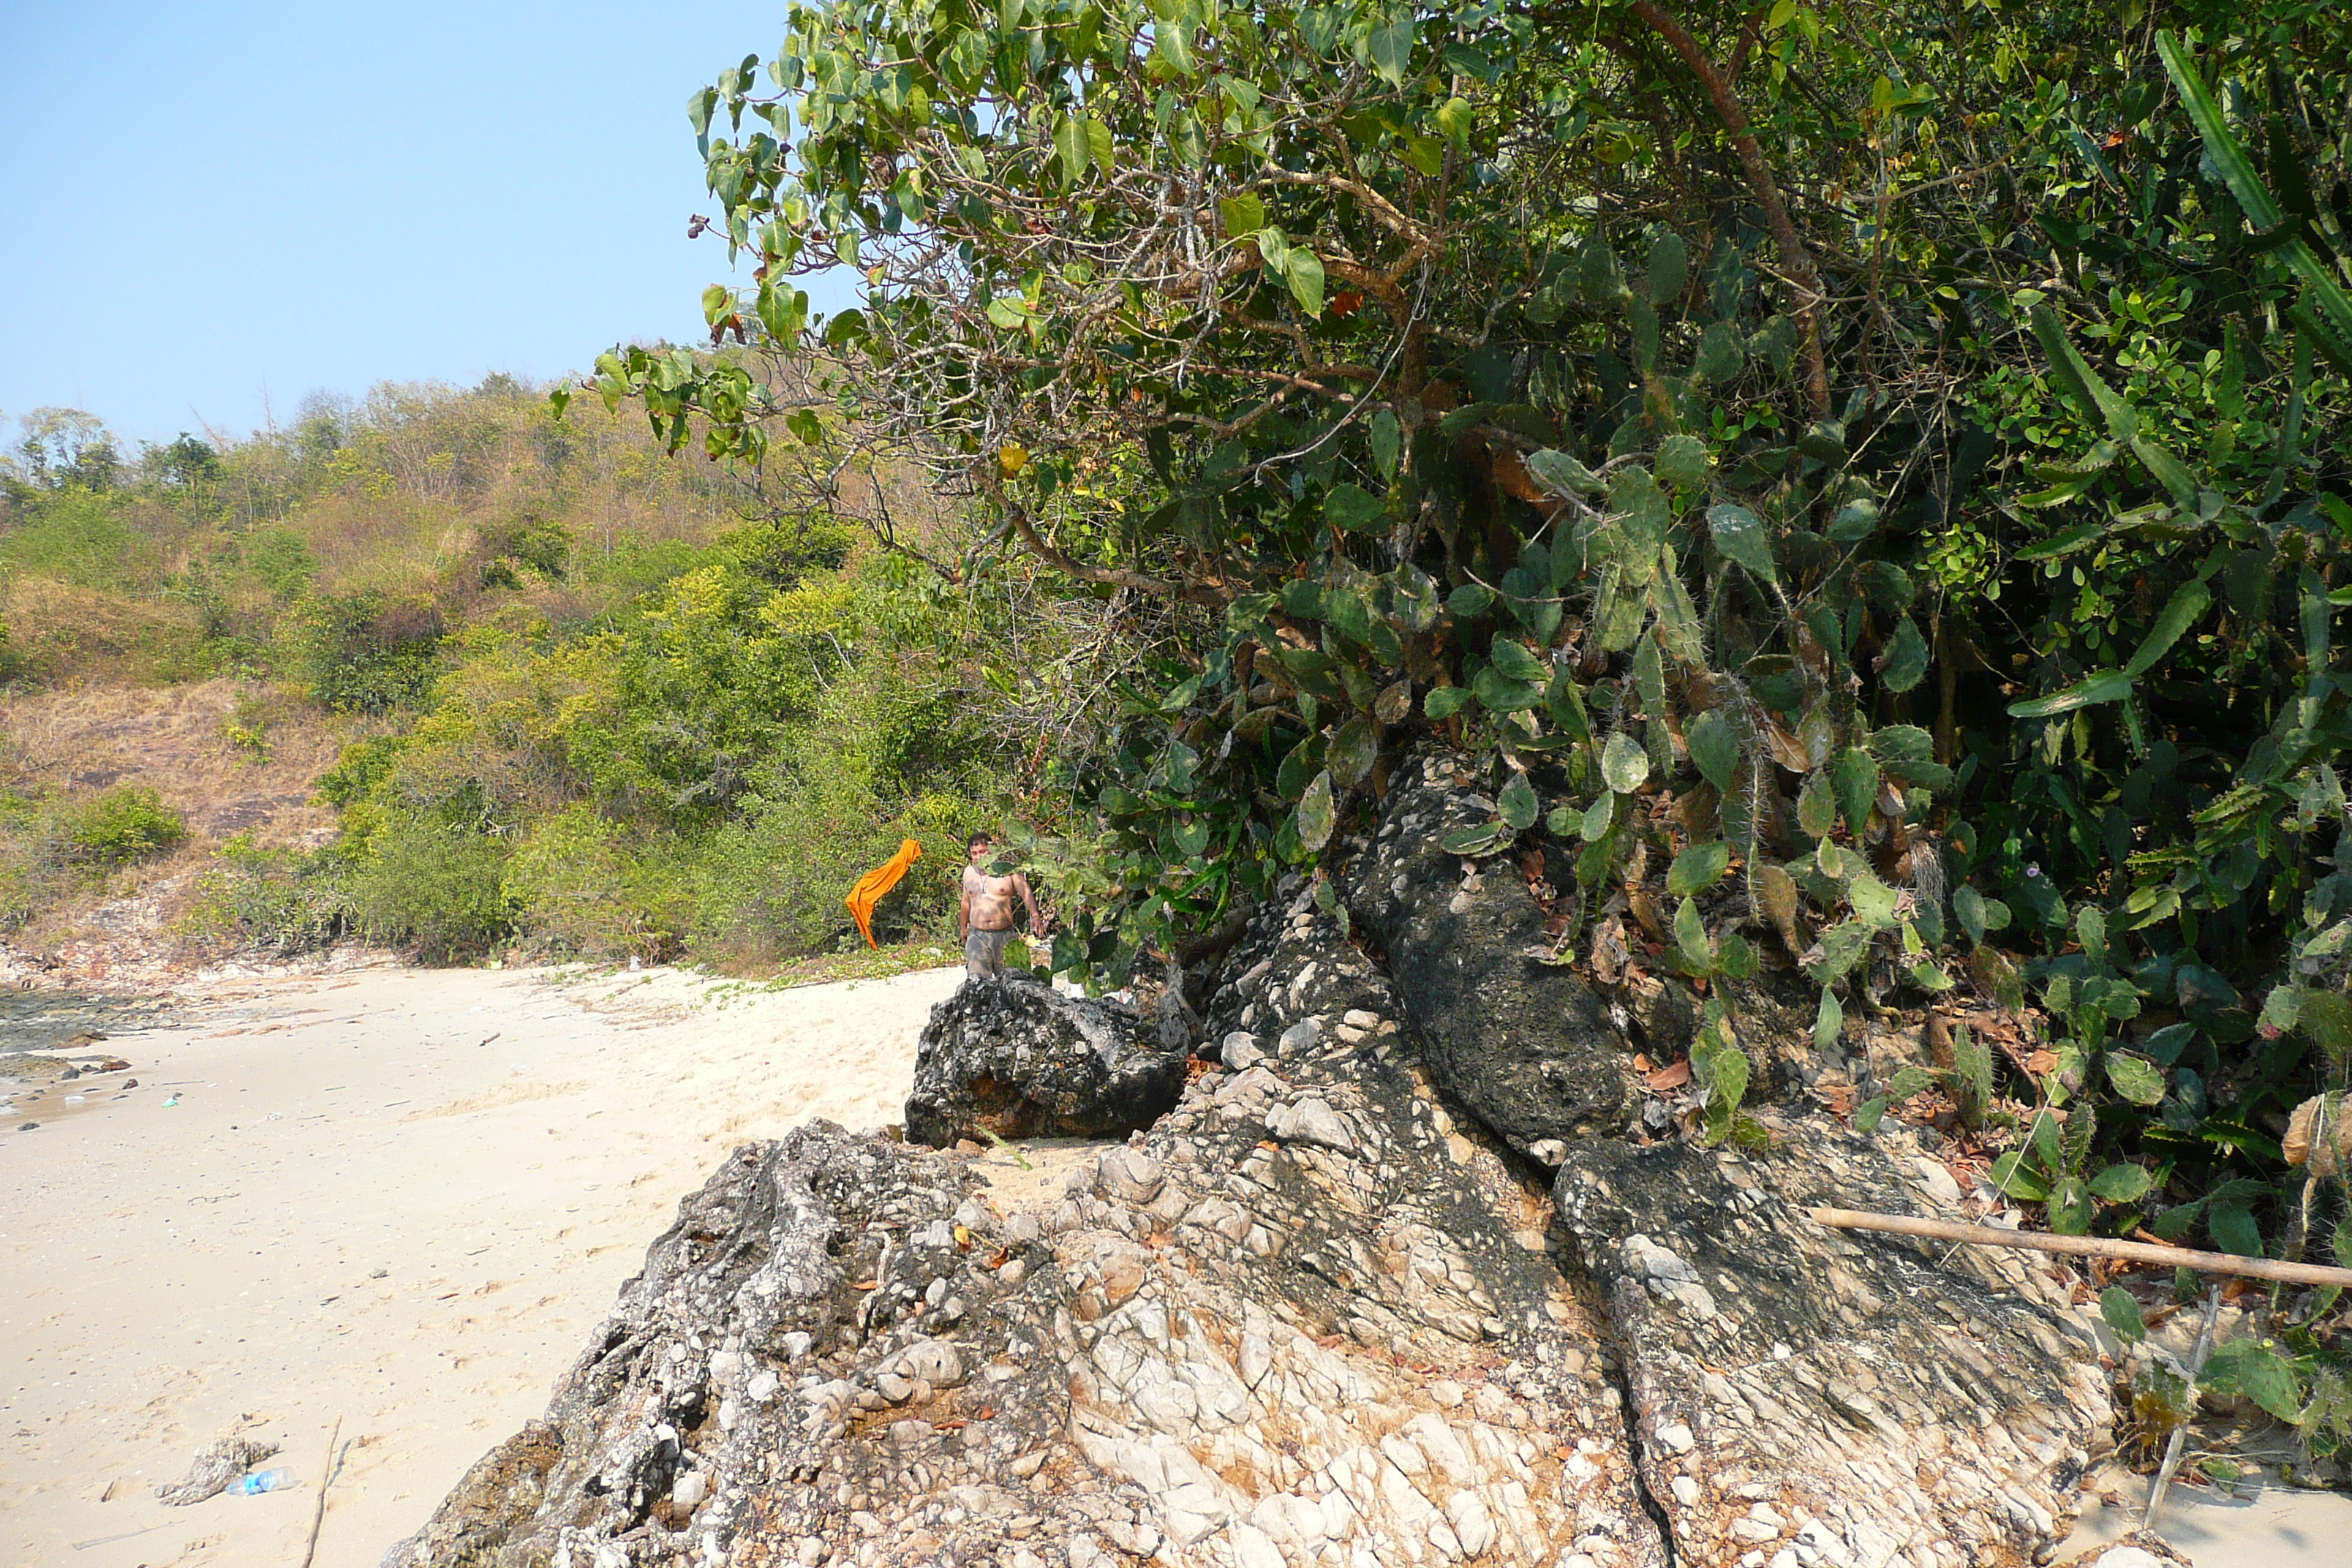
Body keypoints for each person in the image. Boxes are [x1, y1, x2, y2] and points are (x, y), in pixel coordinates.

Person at [960, 831, 1044, 979]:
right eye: (974, 853)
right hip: (978, 935)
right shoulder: (968, 873)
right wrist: (963, 928)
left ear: (991, 851)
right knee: (977, 982)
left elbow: (1026, 892)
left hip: (1005, 936)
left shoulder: (1007, 870)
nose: (979, 857)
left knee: (1012, 982)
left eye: (983, 851)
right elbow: (966, 902)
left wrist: (1035, 916)